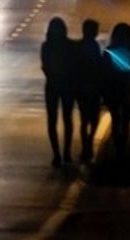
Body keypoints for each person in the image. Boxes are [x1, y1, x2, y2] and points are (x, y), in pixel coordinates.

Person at [41, 16, 76, 167]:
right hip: (66, 85)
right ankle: (65, 152)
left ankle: (57, 154)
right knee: (67, 119)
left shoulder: (47, 46)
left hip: (53, 85)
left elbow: (45, 66)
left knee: (53, 120)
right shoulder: (69, 46)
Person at [100, 22, 130, 162]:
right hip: (127, 88)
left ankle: (118, 148)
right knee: (125, 120)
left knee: (116, 119)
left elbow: (104, 73)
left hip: (113, 90)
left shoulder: (108, 51)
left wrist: (103, 92)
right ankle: (122, 148)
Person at [75, 18, 102, 162]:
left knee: (85, 120)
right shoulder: (93, 47)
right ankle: (88, 143)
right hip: (91, 88)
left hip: (84, 88)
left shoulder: (80, 46)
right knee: (91, 119)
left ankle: (87, 144)